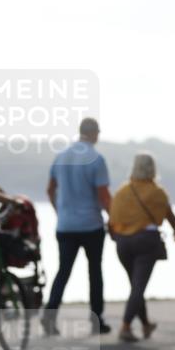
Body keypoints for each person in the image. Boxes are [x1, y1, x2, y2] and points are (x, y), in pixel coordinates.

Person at [43, 117, 112, 335]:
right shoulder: (96, 158)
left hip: (65, 225)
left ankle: (49, 315)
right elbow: (104, 196)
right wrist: (114, 219)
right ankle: (96, 319)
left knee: (63, 271)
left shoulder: (61, 155)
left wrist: (59, 211)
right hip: (91, 224)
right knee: (95, 271)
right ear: (95, 133)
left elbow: (50, 189)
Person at [108, 152, 175, 342]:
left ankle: (146, 324)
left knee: (135, 285)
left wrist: (115, 236)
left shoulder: (122, 191)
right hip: (146, 241)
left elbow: (112, 220)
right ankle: (125, 326)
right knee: (138, 287)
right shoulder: (157, 192)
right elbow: (169, 214)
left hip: (123, 243)